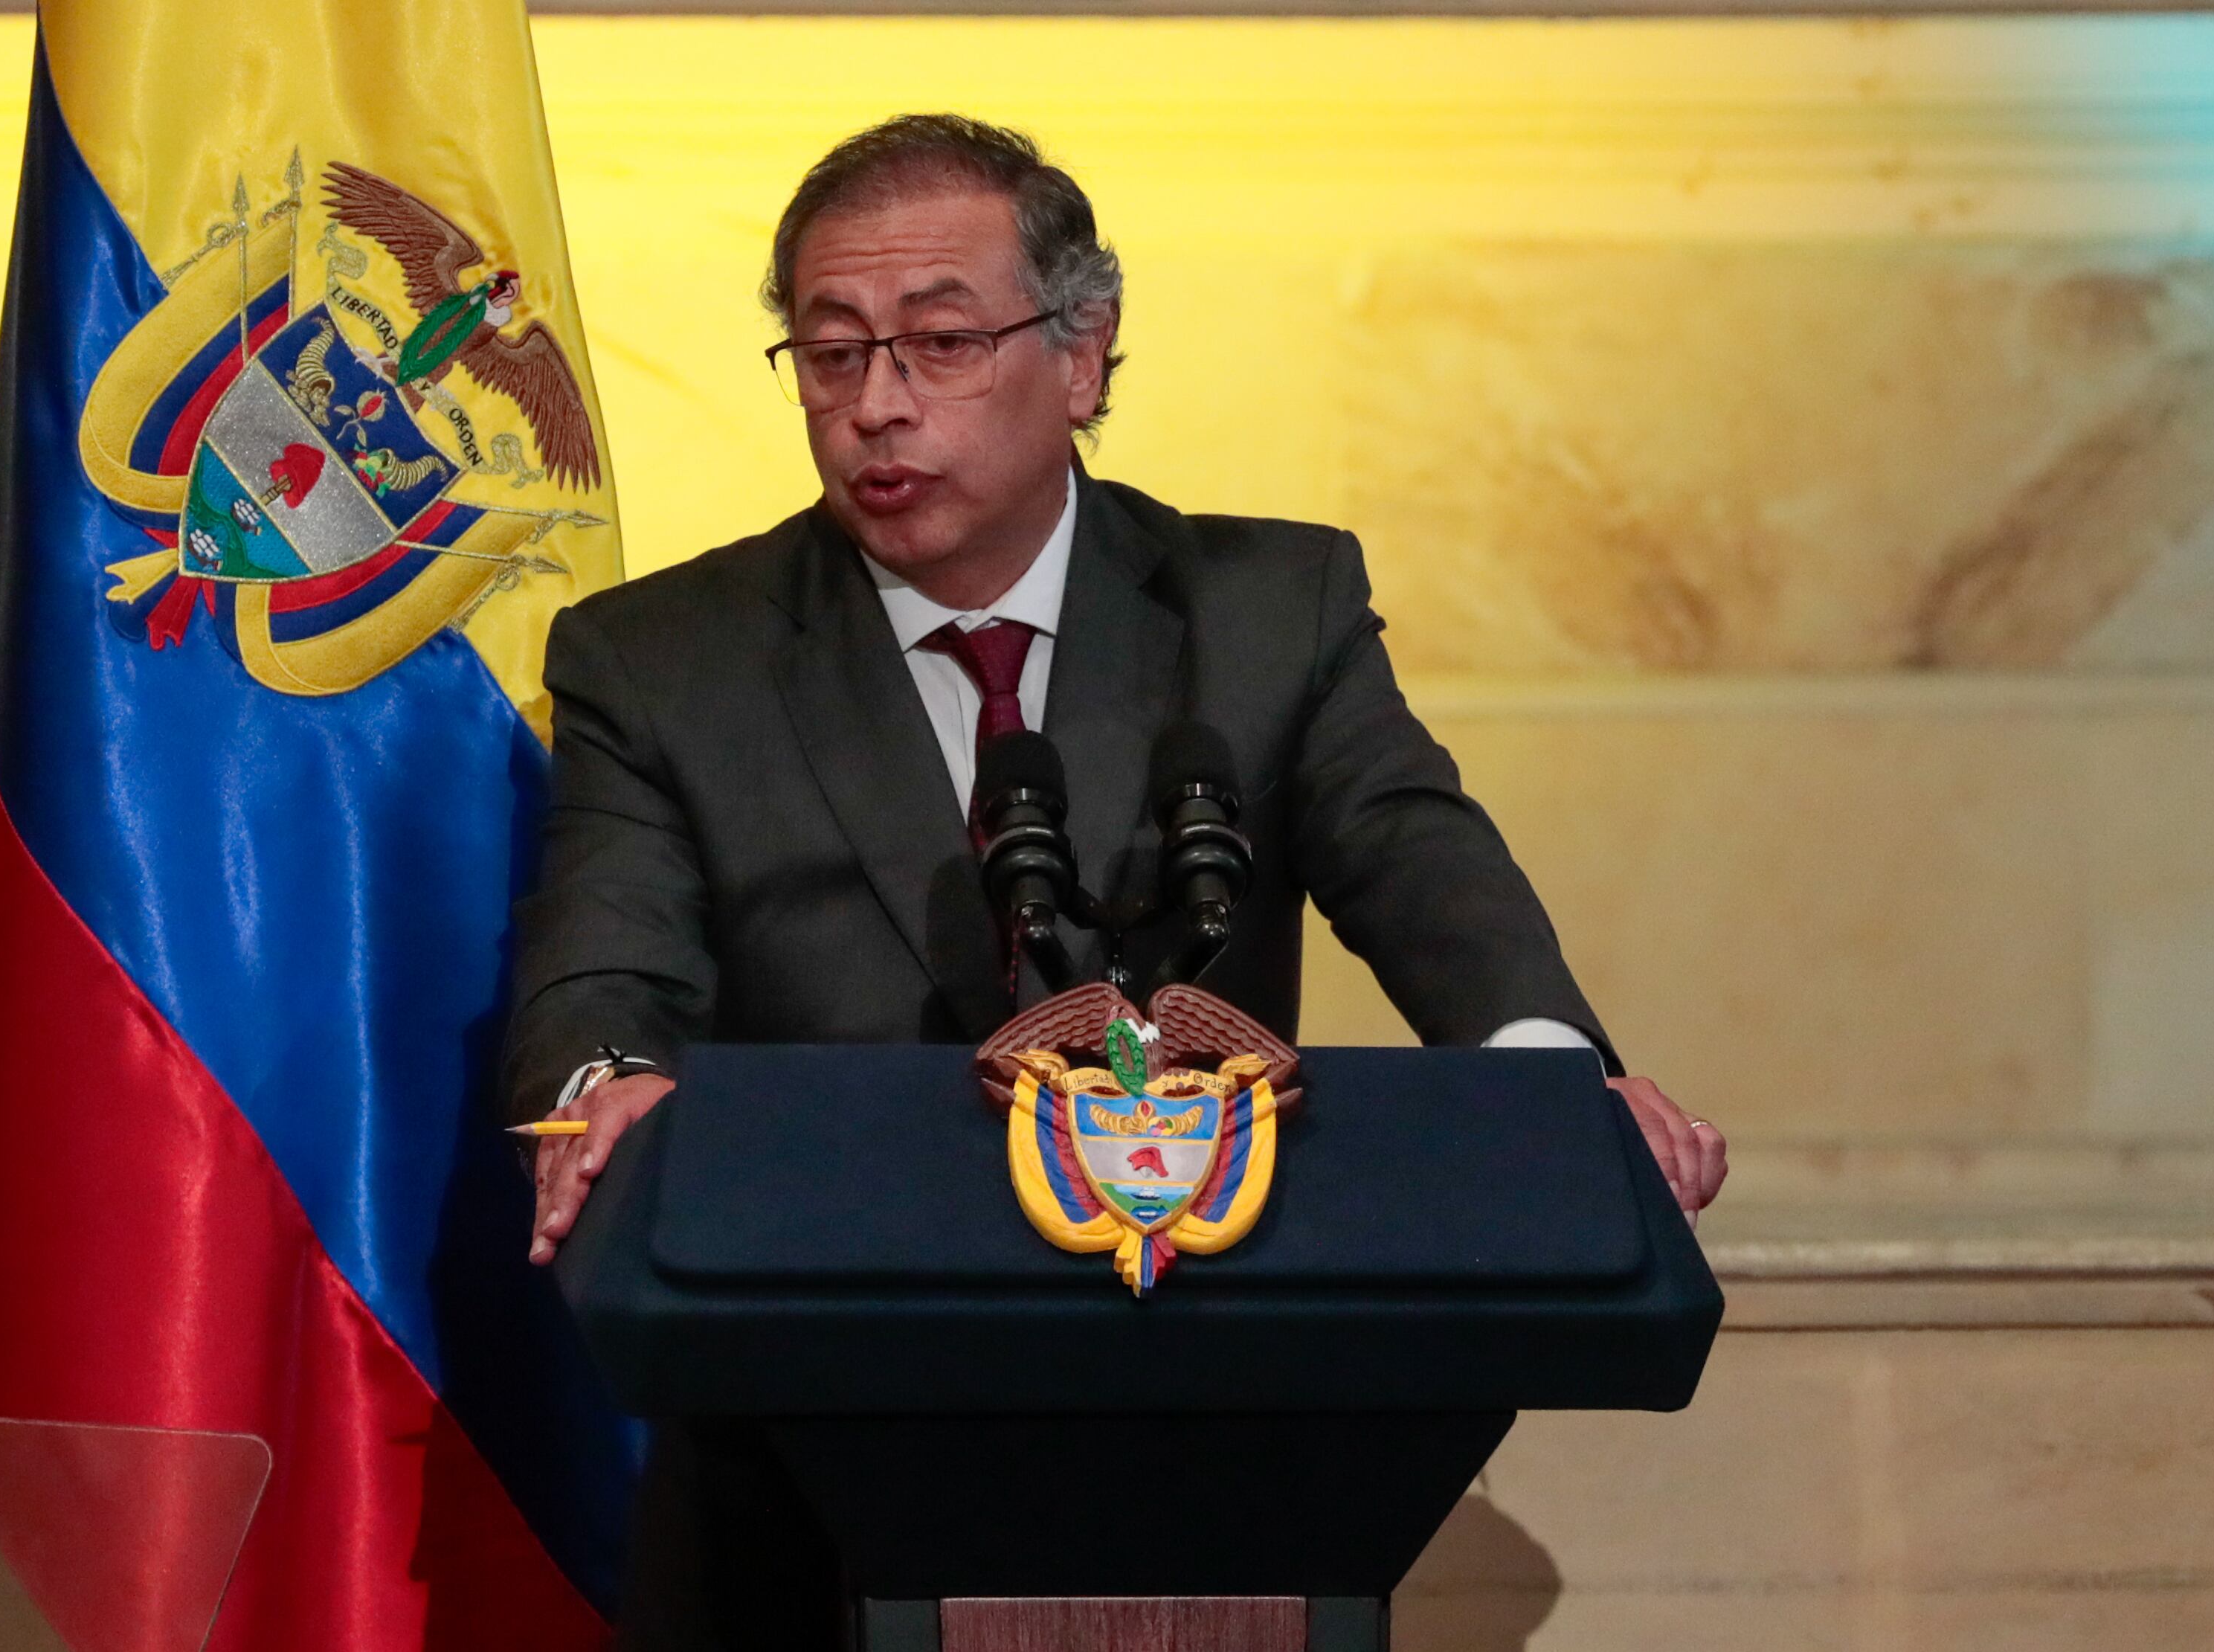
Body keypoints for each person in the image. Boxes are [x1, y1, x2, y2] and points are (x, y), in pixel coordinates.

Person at [505, 113, 1725, 1650]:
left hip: (1206, 1427)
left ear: (1081, 358)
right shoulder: (665, 659)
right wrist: (606, 1077)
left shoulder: (1267, 610)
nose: (876, 407)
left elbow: (1420, 859)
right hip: (802, 1457)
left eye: (939, 342)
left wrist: (1549, 1083)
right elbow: (600, 957)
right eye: (830, 355)